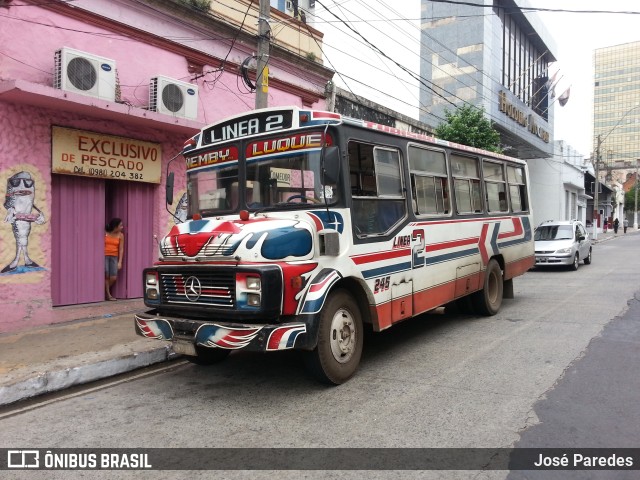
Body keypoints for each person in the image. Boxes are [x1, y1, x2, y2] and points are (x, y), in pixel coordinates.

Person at [104, 218, 124, 301]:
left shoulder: (120, 235)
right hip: (104, 256)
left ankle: (103, 291)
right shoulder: (105, 233)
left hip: (114, 257)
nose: (122, 227)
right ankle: (108, 295)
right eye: (120, 225)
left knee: (113, 277)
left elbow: (121, 249)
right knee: (106, 276)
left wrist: (120, 262)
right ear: (115, 226)